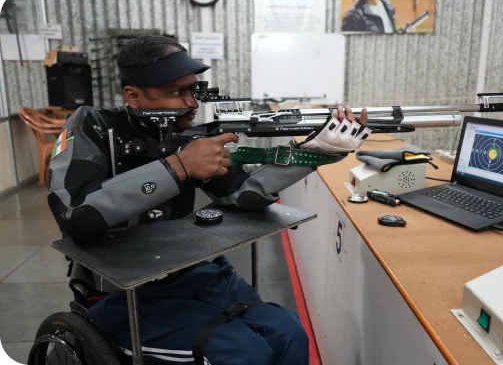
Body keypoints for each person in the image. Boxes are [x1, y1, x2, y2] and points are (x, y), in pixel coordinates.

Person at [47, 35, 371, 365]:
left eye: (193, 89)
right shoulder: (93, 126)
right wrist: (179, 166)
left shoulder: (187, 132)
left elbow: (243, 194)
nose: (191, 102)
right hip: (122, 292)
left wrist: (316, 151)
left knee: (288, 332)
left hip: (192, 273)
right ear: (133, 95)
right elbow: (74, 215)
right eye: (176, 92)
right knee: (245, 353)